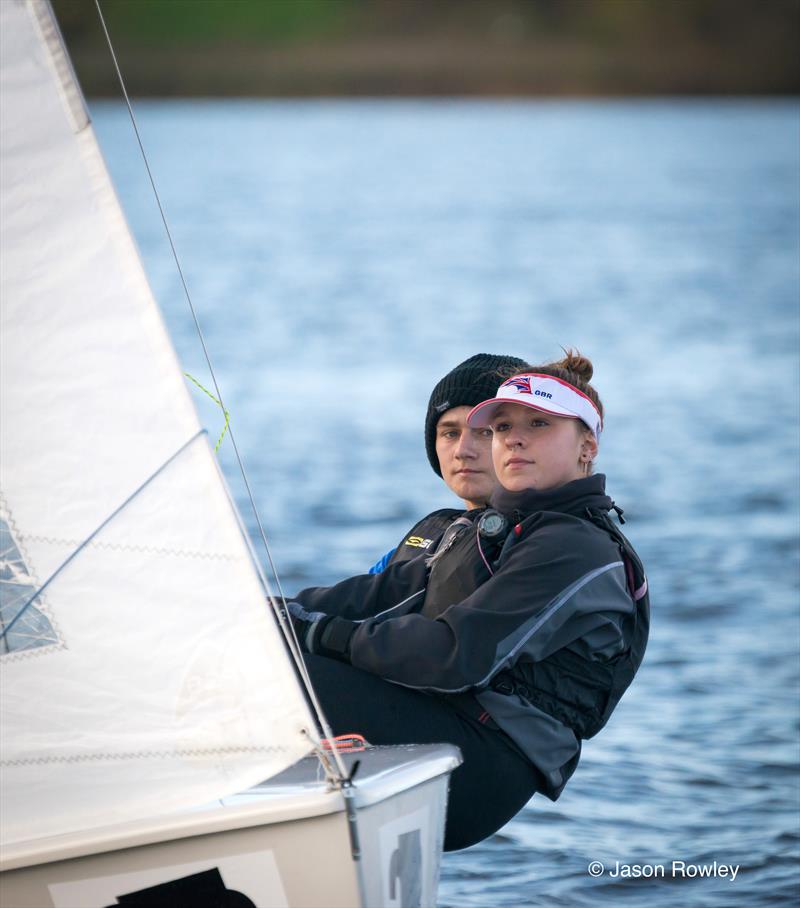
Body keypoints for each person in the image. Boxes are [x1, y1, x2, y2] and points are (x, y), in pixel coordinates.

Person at [288, 351, 650, 851]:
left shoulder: (575, 547)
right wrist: (261, 611)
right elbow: (374, 598)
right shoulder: (489, 531)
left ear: (587, 445)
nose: (513, 438)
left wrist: (316, 635)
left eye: (538, 424)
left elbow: (456, 655)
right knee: (267, 649)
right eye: (502, 427)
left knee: (285, 672)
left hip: (482, 767)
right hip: (446, 725)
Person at [368, 352, 526, 573]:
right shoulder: (422, 542)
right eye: (450, 433)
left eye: (485, 432)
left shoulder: (546, 543)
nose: (462, 451)